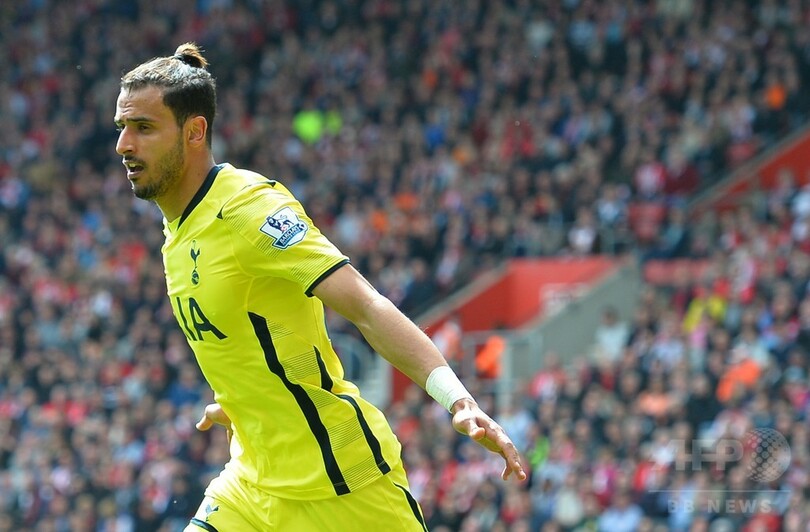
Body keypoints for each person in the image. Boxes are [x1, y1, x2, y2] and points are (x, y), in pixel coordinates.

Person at [114, 42, 526, 531]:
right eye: (122, 127)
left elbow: (366, 305)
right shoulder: (178, 227)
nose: (124, 145)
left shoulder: (248, 209)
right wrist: (249, 402)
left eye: (143, 128)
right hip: (251, 484)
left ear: (195, 132)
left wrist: (458, 400)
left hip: (341, 484)